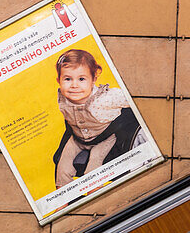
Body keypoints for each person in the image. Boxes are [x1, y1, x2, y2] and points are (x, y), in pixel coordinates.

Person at [52, 49, 146, 188]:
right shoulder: (63, 97)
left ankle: (93, 191)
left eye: (82, 79)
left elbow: (131, 98)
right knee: (62, 167)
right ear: (58, 81)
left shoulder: (104, 99)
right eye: (67, 79)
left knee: (93, 167)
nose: (74, 85)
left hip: (103, 139)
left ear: (93, 80)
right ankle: (63, 201)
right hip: (78, 139)